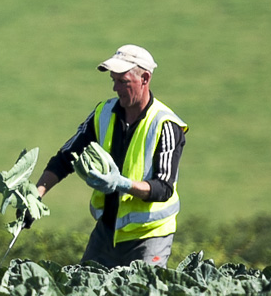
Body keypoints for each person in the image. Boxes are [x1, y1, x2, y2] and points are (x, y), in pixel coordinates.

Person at [35, 44, 188, 267]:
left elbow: (163, 188)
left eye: (123, 82)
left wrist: (121, 184)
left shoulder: (165, 125)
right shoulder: (103, 113)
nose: (115, 88)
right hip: (107, 232)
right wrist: (36, 196)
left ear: (145, 78)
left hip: (149, 237)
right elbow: (65, 158)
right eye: (113, 80)